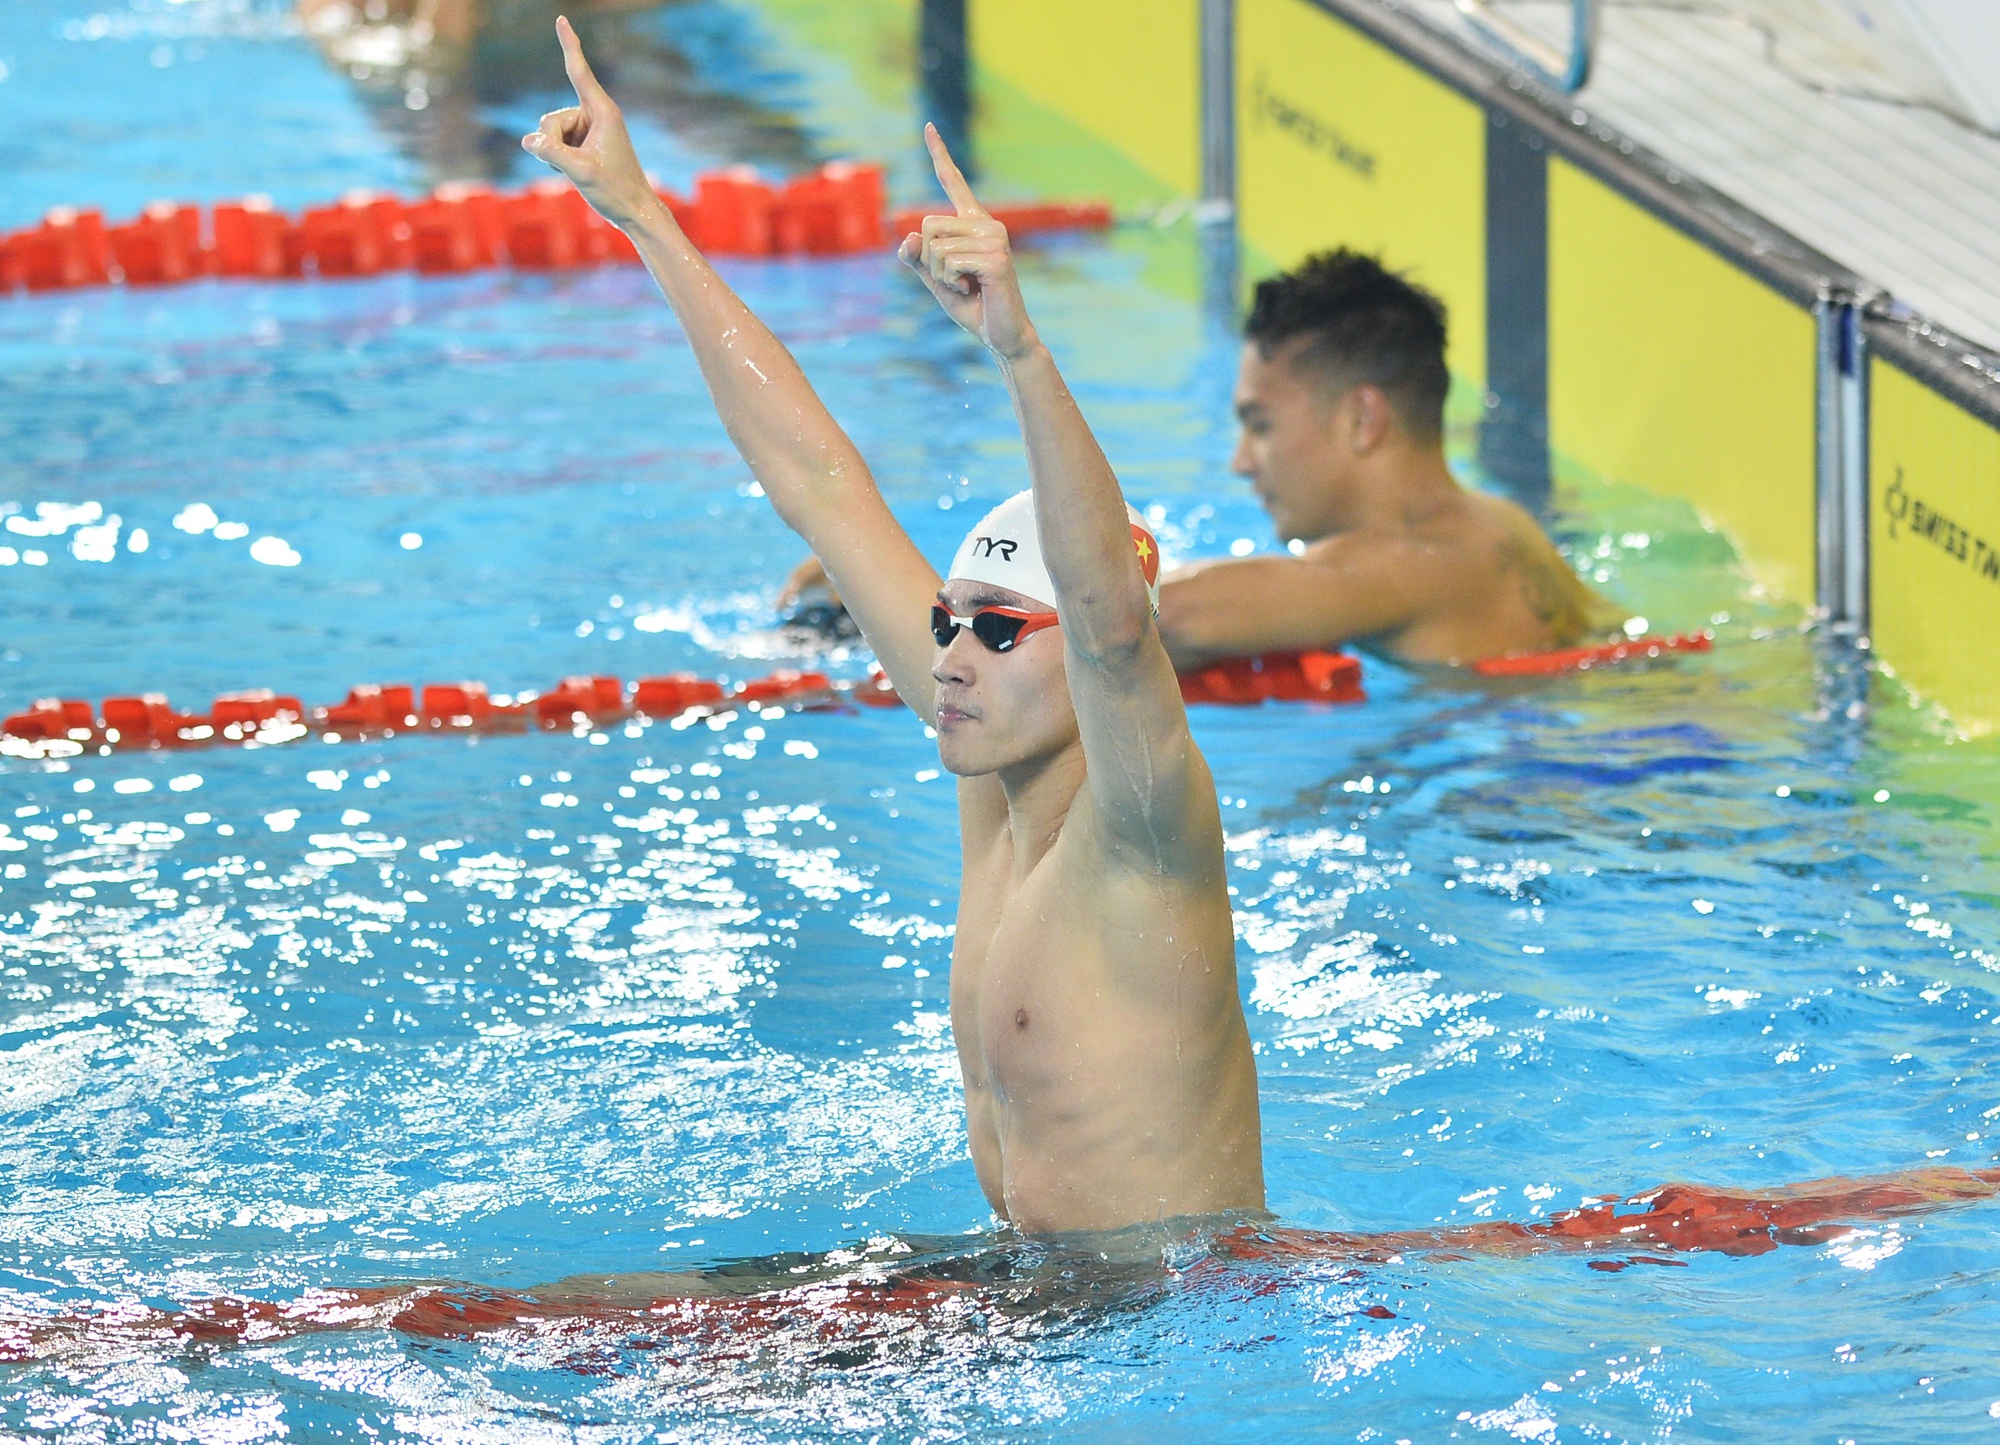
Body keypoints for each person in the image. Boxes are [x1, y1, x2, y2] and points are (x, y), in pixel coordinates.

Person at [522, 18, 1264, 1238]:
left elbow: (1112, 624)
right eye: (946, 624)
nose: (953, 657)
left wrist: (1015, 349)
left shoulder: (1143, 833)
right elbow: (817, 481)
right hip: (1039, 1298)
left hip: (1166, 1311)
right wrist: (642, 214)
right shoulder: (993, 775)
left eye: (995, 631)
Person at [781, 251, 1624, 669]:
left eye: (1260, 425)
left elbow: (1157, 616)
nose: (1239, 462)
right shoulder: (1492, 526)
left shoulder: (1410, 563)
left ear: (1363, 417)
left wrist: (936, 602)